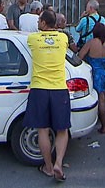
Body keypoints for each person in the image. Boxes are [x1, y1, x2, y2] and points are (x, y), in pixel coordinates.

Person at [24, 10, 70, 182]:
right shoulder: (63, 38)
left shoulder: (33, 39)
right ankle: (58, 162)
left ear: (43, 23)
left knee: (42, 129)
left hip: (39, 89)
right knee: (62, 129)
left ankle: (49, 167)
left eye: (39, 21)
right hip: (59, 88)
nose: (37, 24)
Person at [79, 23, 105, 134]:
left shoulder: (91, 43)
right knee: (103, 95)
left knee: (100, 99)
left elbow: (80, 56)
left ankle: (103, 126)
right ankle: (101, 122)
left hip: (96, 73)